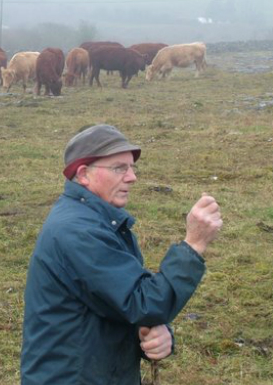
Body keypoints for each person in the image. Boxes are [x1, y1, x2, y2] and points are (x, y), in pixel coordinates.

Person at [20, 124, 222, 385]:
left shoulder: (99, 221)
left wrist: (153, 334)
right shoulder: (78, 231)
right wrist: (193, 244)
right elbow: (145, 303)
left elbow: (120, 301)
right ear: (83, 174)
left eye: (131, 167)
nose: (132, 177)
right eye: (119, 168)